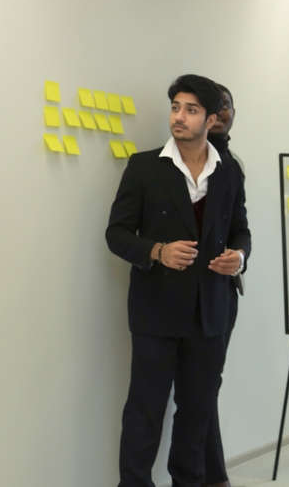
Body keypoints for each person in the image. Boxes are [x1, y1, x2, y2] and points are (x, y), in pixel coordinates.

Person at [106, 74, 251, 487]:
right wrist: (157, 251)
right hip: (156, 310)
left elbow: (242, 230)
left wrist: (238, 258)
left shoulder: (228, 173)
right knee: (145, 411)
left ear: (211, 119)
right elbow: (116, 234)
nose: (179, 117)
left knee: (196, 412)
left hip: (211, 313)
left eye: (191, 110)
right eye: (175, 107)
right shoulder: (144, 166)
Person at [202, 83, 243, 487]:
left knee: (206, 384)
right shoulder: (184, 162)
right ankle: (211, 475)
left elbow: (240, 230)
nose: (223, 111)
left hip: (222, 294)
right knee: (199, 388)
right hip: (181, 297)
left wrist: (239, 255)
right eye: (216, 106)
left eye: (228, 104)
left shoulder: (232, 165)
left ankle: (213, 475)